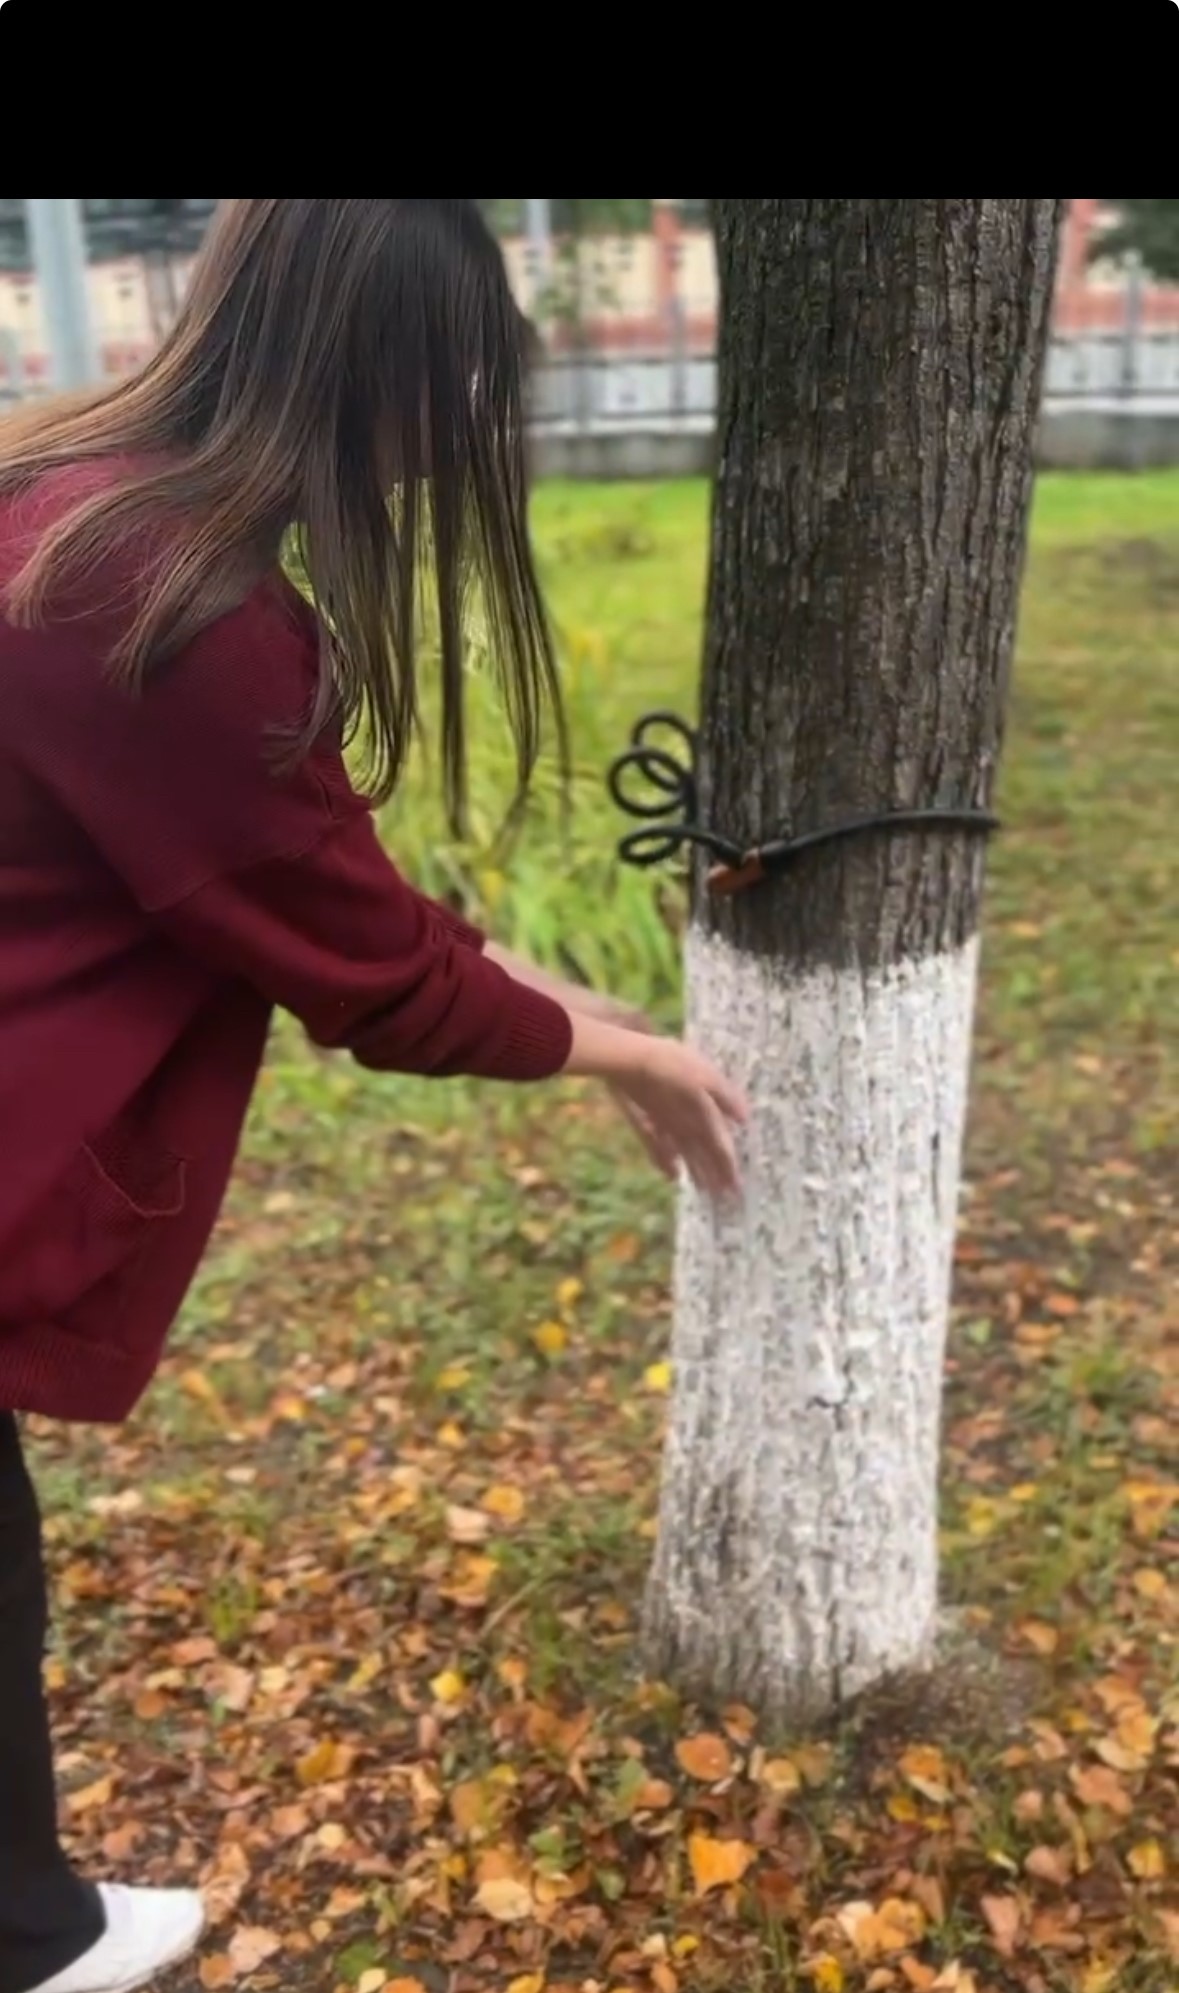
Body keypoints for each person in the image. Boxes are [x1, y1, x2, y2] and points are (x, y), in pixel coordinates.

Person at [0, 200, 746, 1993]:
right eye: (461, 377)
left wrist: (577, 1003)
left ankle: (32, 1923)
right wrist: (639, 1055)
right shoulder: (170, 603)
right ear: (373, 371)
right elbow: (368, 976)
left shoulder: (69, 493)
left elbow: (327, 893)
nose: (468, 421)